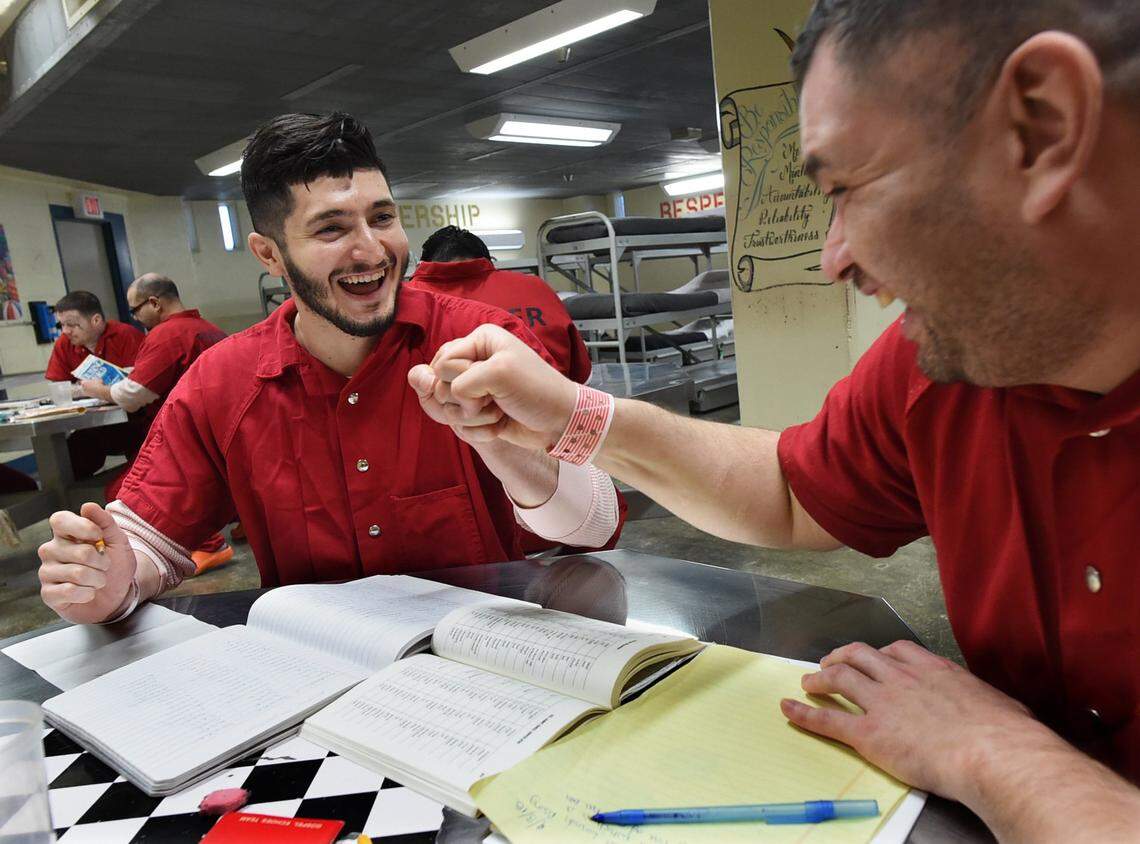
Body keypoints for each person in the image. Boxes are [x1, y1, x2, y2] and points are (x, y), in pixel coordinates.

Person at [407, 1, 1140, 839]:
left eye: (847, 190)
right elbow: (791, 491)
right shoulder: (948, 365)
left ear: (1044, 127)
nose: (834, 258)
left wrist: (1003, 757)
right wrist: (569, 416)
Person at [36, 112, 623, 629]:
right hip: (317, 683)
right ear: (269, 254)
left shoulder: (485, 344)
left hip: (491, 660)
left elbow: (595, 524)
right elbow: (147, 537)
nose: (371, 250)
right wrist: (111, 580)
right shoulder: (223, 384)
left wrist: (504, 447)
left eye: (383, 217)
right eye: (332, 228)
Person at [77, 274, 233, 573]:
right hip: (222, 432)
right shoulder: (208, 329)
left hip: (187, 437)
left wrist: (101, 390)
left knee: (124, 492)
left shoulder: (166, 335)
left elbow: (133, 394)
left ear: (154, 303)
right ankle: (243, 525)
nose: (135, 319)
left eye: (136, 311)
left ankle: (209, 544)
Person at [408, 226, 592, 382]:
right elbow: (580, 375)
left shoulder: (404, 301)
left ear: (423, 264)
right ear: (488, 260)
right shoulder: (535, 288)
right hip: (553, 413)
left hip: (451, 420)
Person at [44, 291, 148, 479]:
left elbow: (143, 381)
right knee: (71, 457)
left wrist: (95, 388)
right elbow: (58, 385)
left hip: (136, 418)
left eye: (72, 325)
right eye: (62, 325)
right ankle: (71, 500)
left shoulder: (126, 335)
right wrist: (86, 388)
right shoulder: (64, 344)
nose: (65, 331)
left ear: (96, 320)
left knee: (143, 456)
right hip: (94, 424)